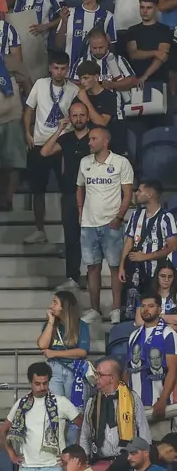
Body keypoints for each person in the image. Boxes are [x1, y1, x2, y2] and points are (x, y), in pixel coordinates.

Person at [78, 127, 134, 324]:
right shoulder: (84, 162)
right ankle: (95, 309)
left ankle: (116, 309)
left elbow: (127, 194)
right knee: (92, 268)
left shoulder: (121, 162)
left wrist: (119, 218)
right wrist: (80, 213)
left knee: (114, 267)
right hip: (88, 225)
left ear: (105, 142)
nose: (89, 142)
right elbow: (80, 188)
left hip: (112, 224)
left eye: (93, 139)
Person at [1, 362, 81, 471]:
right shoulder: (21, 404)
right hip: (27, 466)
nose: (42, 387)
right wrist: (12, 455)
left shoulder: (61, 402)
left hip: (54, 466)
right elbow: (3, 430)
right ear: (31, 382)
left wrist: (74, 454)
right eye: (37, 384)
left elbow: (84, 426)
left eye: (45, 383)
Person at [119, 181, 177, 320]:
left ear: (149, 194)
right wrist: (122, 266)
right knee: (131, 307)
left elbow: (172, 246)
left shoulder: (166, 217)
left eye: (139, 191)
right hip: (135, 270)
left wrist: (145, 257)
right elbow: (128, 242)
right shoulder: (135, 215)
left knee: (151, 306)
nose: (136, 193)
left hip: (156, 272)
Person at [78, 357, 151, 462]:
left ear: (111, 378)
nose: (96, 377)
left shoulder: (132, 398)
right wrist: (85, 460)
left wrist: (145, 460)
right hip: (100, 461)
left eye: (99, 374)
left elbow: (143, 431)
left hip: (127, 461)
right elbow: (85, 434)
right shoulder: (92, 402)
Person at [126, 292, 177, 420]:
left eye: (151, 306)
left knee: (160, 440)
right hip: (134, 405)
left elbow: (173, 370)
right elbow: (127, 370)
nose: (146, 309)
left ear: (159, 309)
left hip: (159, 404)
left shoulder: (169, 334)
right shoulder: (134, 335)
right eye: (143, 306)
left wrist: (163, 399)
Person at [39, 291, 92, 402]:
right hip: (54, 369)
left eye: (55, 303)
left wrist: (54, 353)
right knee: (56, 407)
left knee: (74, 408)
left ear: (64, 306)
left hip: (74, 369)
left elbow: (82, 352)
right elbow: (42, 345)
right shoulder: (51, 325)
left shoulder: (81, 326)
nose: (50, 306)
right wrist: (51, 322)